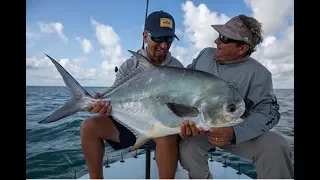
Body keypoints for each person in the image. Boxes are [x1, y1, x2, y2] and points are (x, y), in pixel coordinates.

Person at [178, 14, 294, 179]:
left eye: (224, 38)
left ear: (242, 48)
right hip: (200, 129)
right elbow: (183, 81)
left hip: (237, 133)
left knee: (276, 146)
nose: (216, 41)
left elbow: (269, 111)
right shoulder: (205, 55)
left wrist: (234, 132)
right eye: (219, 35)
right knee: (187, 148)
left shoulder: (259, 74)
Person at [80, 10, 184, 179]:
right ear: (145, 36)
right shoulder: (129, 66)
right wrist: (103, 105)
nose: (164, 45)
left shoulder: (178, 69)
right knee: (88, 127)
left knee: (165, 136)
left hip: (163, 126)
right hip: (131, 122)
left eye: (169, 39)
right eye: (158, 38)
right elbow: (115, 98)